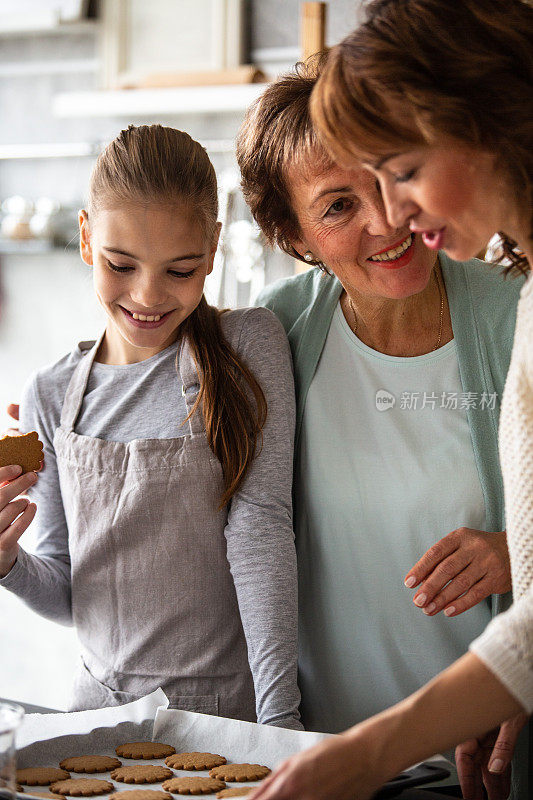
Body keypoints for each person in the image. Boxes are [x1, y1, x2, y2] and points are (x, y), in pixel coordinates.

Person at [246, 1, 533, 798]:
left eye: (392, 174)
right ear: (294, 238)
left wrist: (519, 557)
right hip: (322, 752)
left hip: (487, 751)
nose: (388, 219)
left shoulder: (515, 302)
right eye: (339, 205)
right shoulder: (269, 337)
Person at [0, 124, 301, 728]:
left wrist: (280, 727)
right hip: (93, 721)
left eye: (181, 270)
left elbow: (260, 532)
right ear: (86, 238)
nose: (147, 295)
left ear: (213, 248)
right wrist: (7, 565)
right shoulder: (51, 394)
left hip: (227, 718)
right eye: (121, 264)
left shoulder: (248, 345)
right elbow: (67, 589)